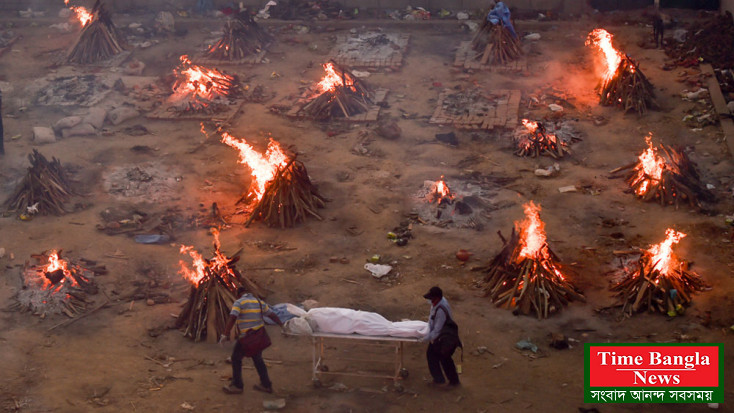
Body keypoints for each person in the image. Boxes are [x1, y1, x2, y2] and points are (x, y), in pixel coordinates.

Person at [220, 287, 283, 394]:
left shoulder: (239, 302)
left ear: (238, 294)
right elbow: (271, 314)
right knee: (258, 359)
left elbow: (232, 317)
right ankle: (266, 385)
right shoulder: (258, 302)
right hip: (258, 338)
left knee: (235, 358)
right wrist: (282, 325)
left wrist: (225, 334)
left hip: (246, 338)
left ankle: (237, 386)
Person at [421, 286, 460, 387]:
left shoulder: (441, 310)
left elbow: (438, 329)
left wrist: (425, 338)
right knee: (433, 355)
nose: (429, 300)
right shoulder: (437, 303)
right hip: (440, 336)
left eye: (431, 298)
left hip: (445, 338)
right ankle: (440, 379)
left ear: (437, 298)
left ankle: (453, 381)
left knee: (444, 359)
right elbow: (432, 319)